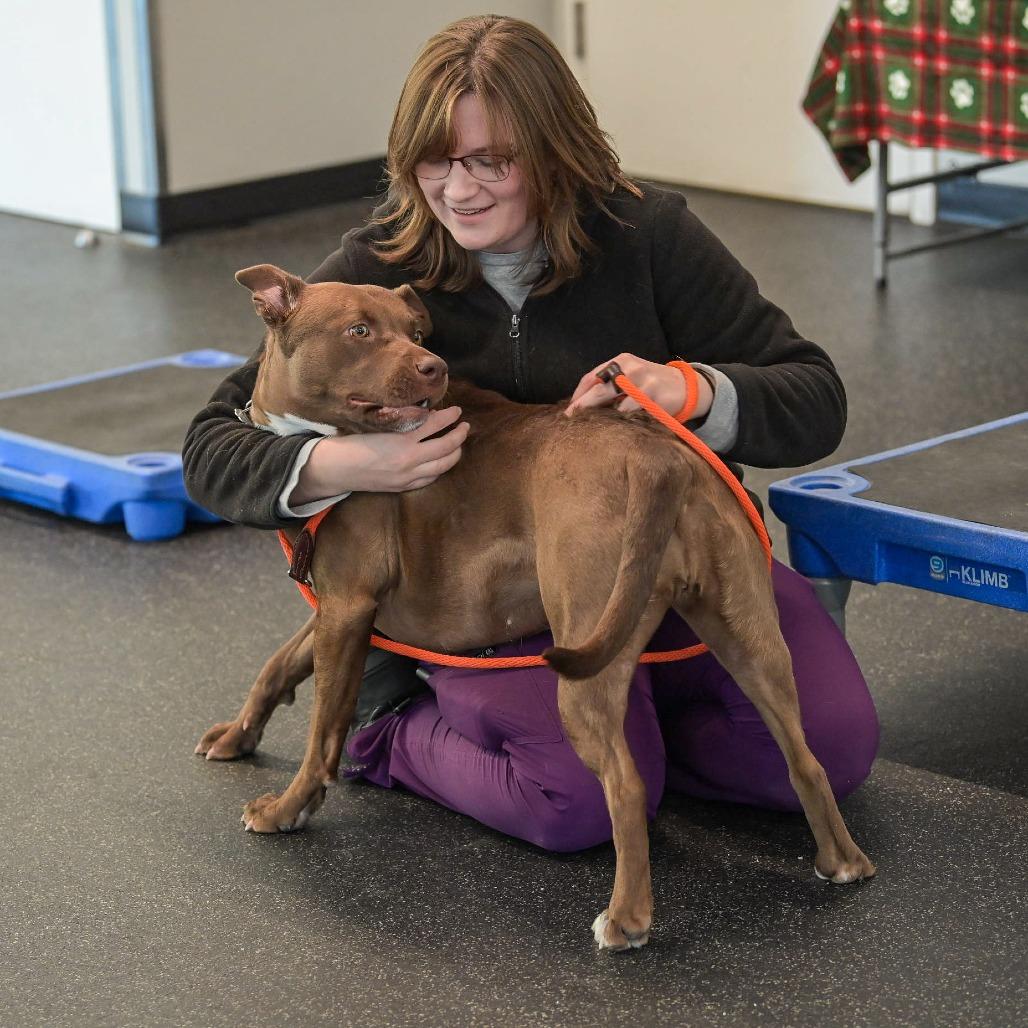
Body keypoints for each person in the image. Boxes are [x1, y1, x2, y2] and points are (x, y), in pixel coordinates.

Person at [183, 14, 879, 853]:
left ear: (554, 150)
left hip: (661, 545)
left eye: (493, 161)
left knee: (830, 751)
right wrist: (346, 460)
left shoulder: (649, 236)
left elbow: (815, 397)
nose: (460, 190)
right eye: (435, 160)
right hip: (496, 601)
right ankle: (388, 733)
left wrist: (692, 388)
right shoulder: (374, 271)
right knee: (568, 804)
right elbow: (211, 445)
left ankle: (637, 747)